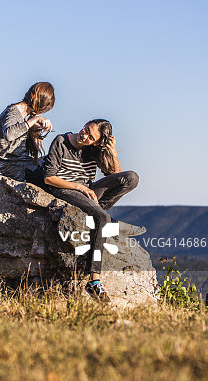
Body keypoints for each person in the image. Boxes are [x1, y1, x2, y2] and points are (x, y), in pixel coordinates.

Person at [40, 119, 143, 302]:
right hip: (65, 190)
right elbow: (49, 178)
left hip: (88, 192)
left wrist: (113, 153)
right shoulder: (61, 142)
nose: (84, 135)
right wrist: (79, 188)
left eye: (90, 137)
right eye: (86, 129)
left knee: (131, 178)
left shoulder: (93, 150)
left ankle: (98, 215)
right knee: (102, 217)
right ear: (86, 123)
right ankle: (94, 280)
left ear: (96, 143)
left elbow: (116, 177)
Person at [0, 82, 55, 182]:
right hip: (15, 168)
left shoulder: (21, 116)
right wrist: (35, 119)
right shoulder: (13, 112)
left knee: (55, 162)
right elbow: (9, 134)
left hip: (23, 164)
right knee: (52, 180)